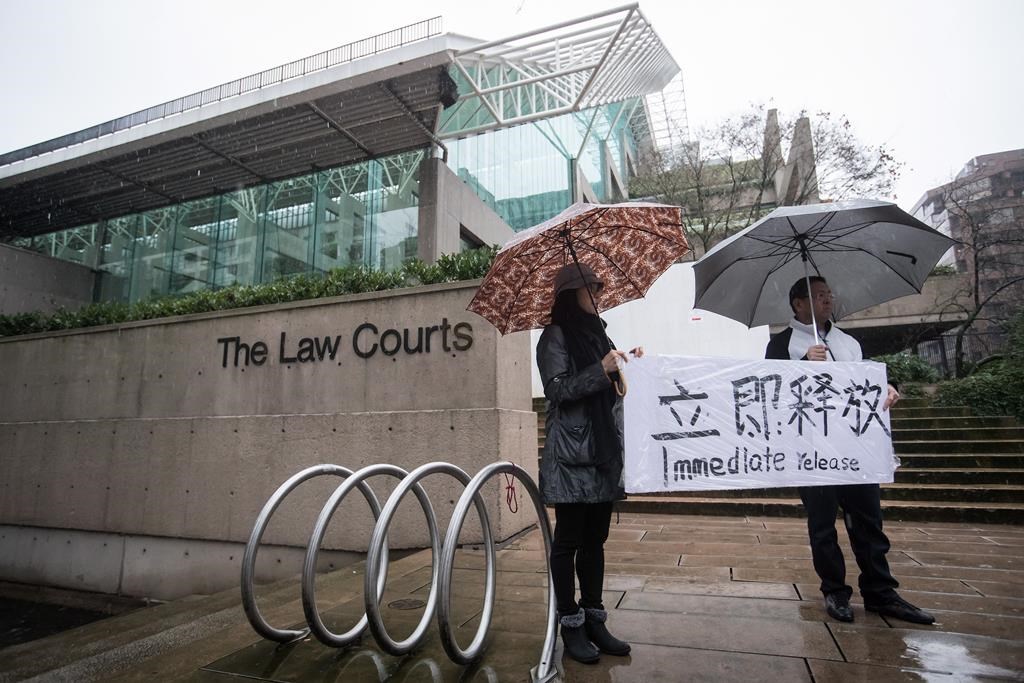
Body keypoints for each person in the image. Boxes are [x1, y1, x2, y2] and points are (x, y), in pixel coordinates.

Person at [765, 275, 935, 625]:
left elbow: (872, 377)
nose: (829, 300)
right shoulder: (781, 345)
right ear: (798, 303)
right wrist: (802, 367)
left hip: (856, 448)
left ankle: (880, 592)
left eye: (829, 294)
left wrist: (890, 386)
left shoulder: (848, 341)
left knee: (869, 521)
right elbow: (771, 393)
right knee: (823, 525)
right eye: (819, 296)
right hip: (811, 451)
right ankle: (835, 591)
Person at [536, 262, 640, 664]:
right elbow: (557, 390)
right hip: (573, 455)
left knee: (596, 540)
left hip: (601, 452)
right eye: (592, 285)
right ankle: (571, 623)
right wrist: (601, 369)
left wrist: (626, 362)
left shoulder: (600, 335)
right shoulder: (555, 336)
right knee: (569, 541)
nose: (599, 290)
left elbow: (610, 387)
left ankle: (595, 619)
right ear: (571, 293)